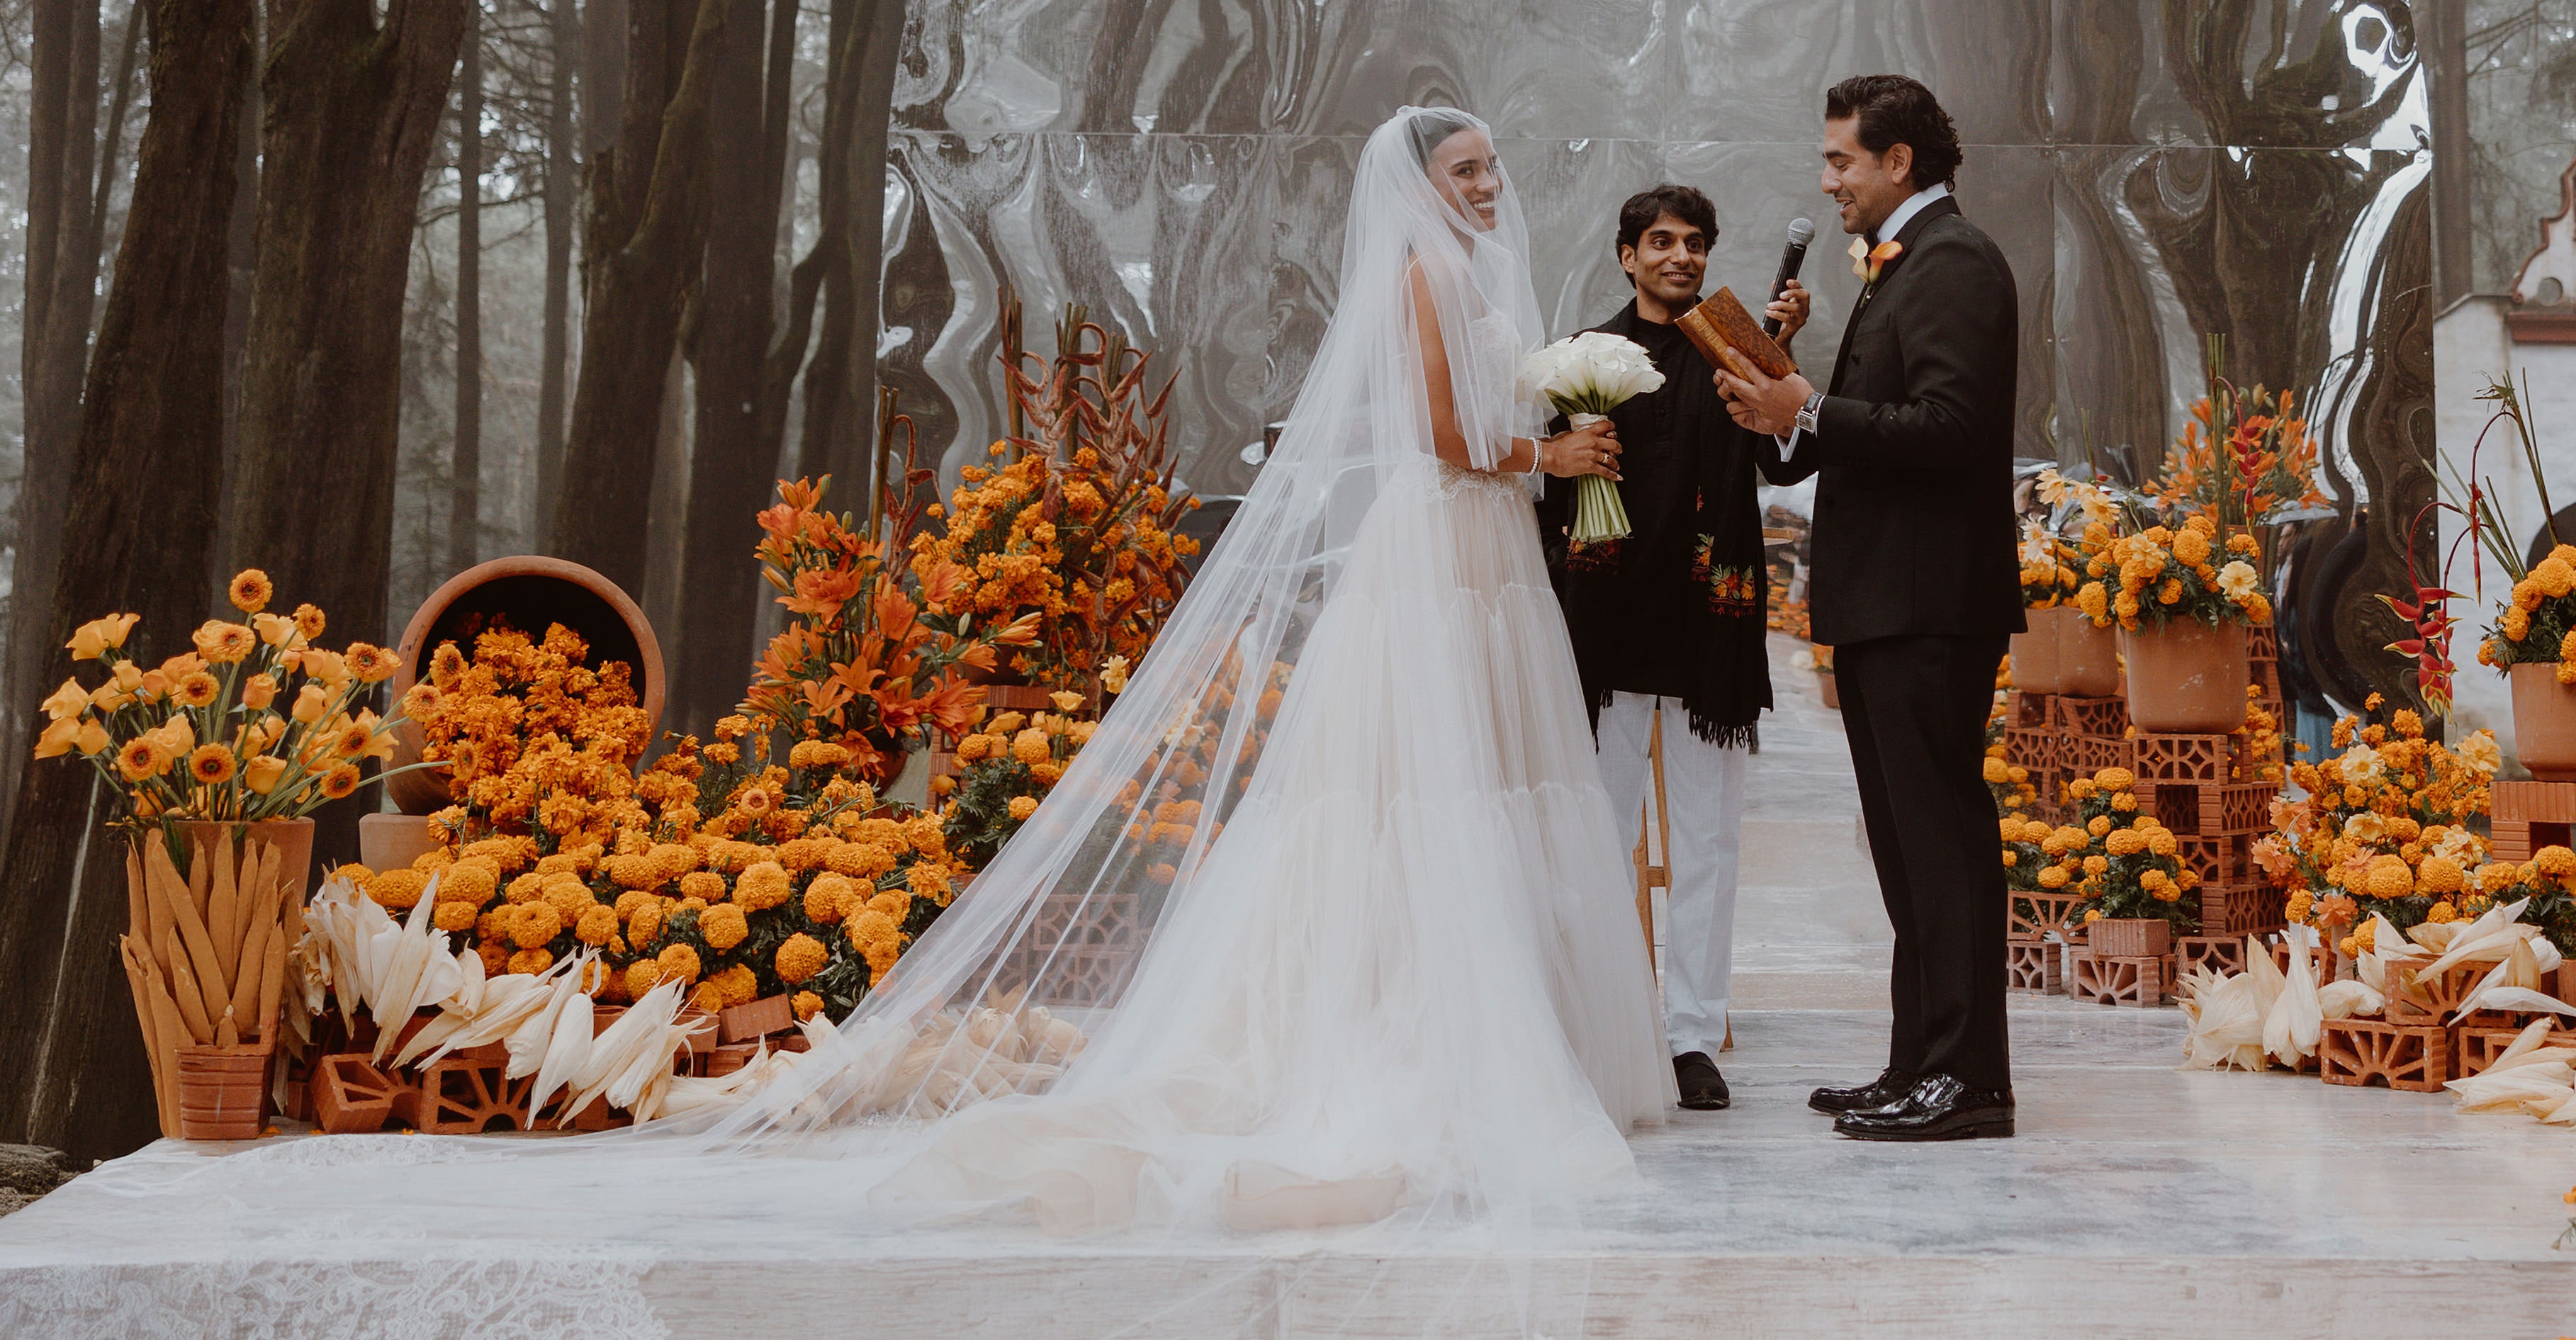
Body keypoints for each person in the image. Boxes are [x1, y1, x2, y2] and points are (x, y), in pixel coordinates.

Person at [7, 108, 1667, 1274]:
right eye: (1462, 169)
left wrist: (1557, 449)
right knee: (1410, 799)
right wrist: (1555, 445)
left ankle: (1522, 1024)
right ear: (1413, 186)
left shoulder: (1490, 282)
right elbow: (1446, 441)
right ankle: (1399, 1033)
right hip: (1441, 556)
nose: (1483, 184)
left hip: (1488, 563)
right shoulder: (1413, 285)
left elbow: (1484, 443)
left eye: (1488, 167)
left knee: (1506, 787)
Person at [1714, 73, 2023, 1144]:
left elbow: (1950, 430)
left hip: (1930, 601)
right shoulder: (1902, 269)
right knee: (1903, 844)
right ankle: (1919, 1064)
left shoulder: (1954, 263)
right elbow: (1868, 426)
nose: (1828, 178)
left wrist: (1815, 410)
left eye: (1842, 158)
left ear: (1901, 162)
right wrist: (1786, 397)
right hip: (1892, 598)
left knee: (1940, 839)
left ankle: (1970, 1081)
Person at [1537, 184, 1801, 1114]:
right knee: (1596, 839)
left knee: (1707, 844)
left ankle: (1691, 1037)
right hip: (1606, 627)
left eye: (1695, 243)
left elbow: (1785, 457)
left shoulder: (1733, 343)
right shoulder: (1579, 357)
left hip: (1708, 626)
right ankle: (1605, 1029)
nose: (1680, 256)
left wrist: (1781, 358)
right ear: (1625, 255)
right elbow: (1548, 493)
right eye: (1661, 241)